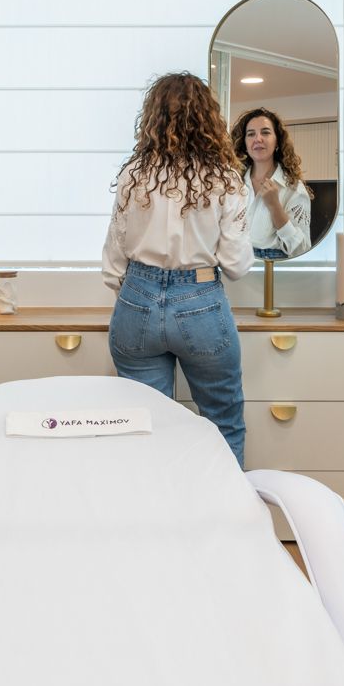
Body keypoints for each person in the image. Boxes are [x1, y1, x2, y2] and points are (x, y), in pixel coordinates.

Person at [101, 72, 251, 464]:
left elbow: (114, 260)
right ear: (208, 118)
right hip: (201, 300)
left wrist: (142, 290)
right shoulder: (225, 178)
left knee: (144, 428)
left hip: (137, 299)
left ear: (153, 117)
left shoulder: (134, 175)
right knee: (223, 421)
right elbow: (236, 265)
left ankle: (151, 505)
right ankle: (223, 504)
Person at [231, 107, 312, 259]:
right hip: (235, 263)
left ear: (277, 142)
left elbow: (301, 250)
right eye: (251, 134)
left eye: (265, 132)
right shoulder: (232, 184)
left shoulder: (293, 189)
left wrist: (275, 207)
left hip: (275, 267)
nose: (258, 139)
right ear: (245, 144)